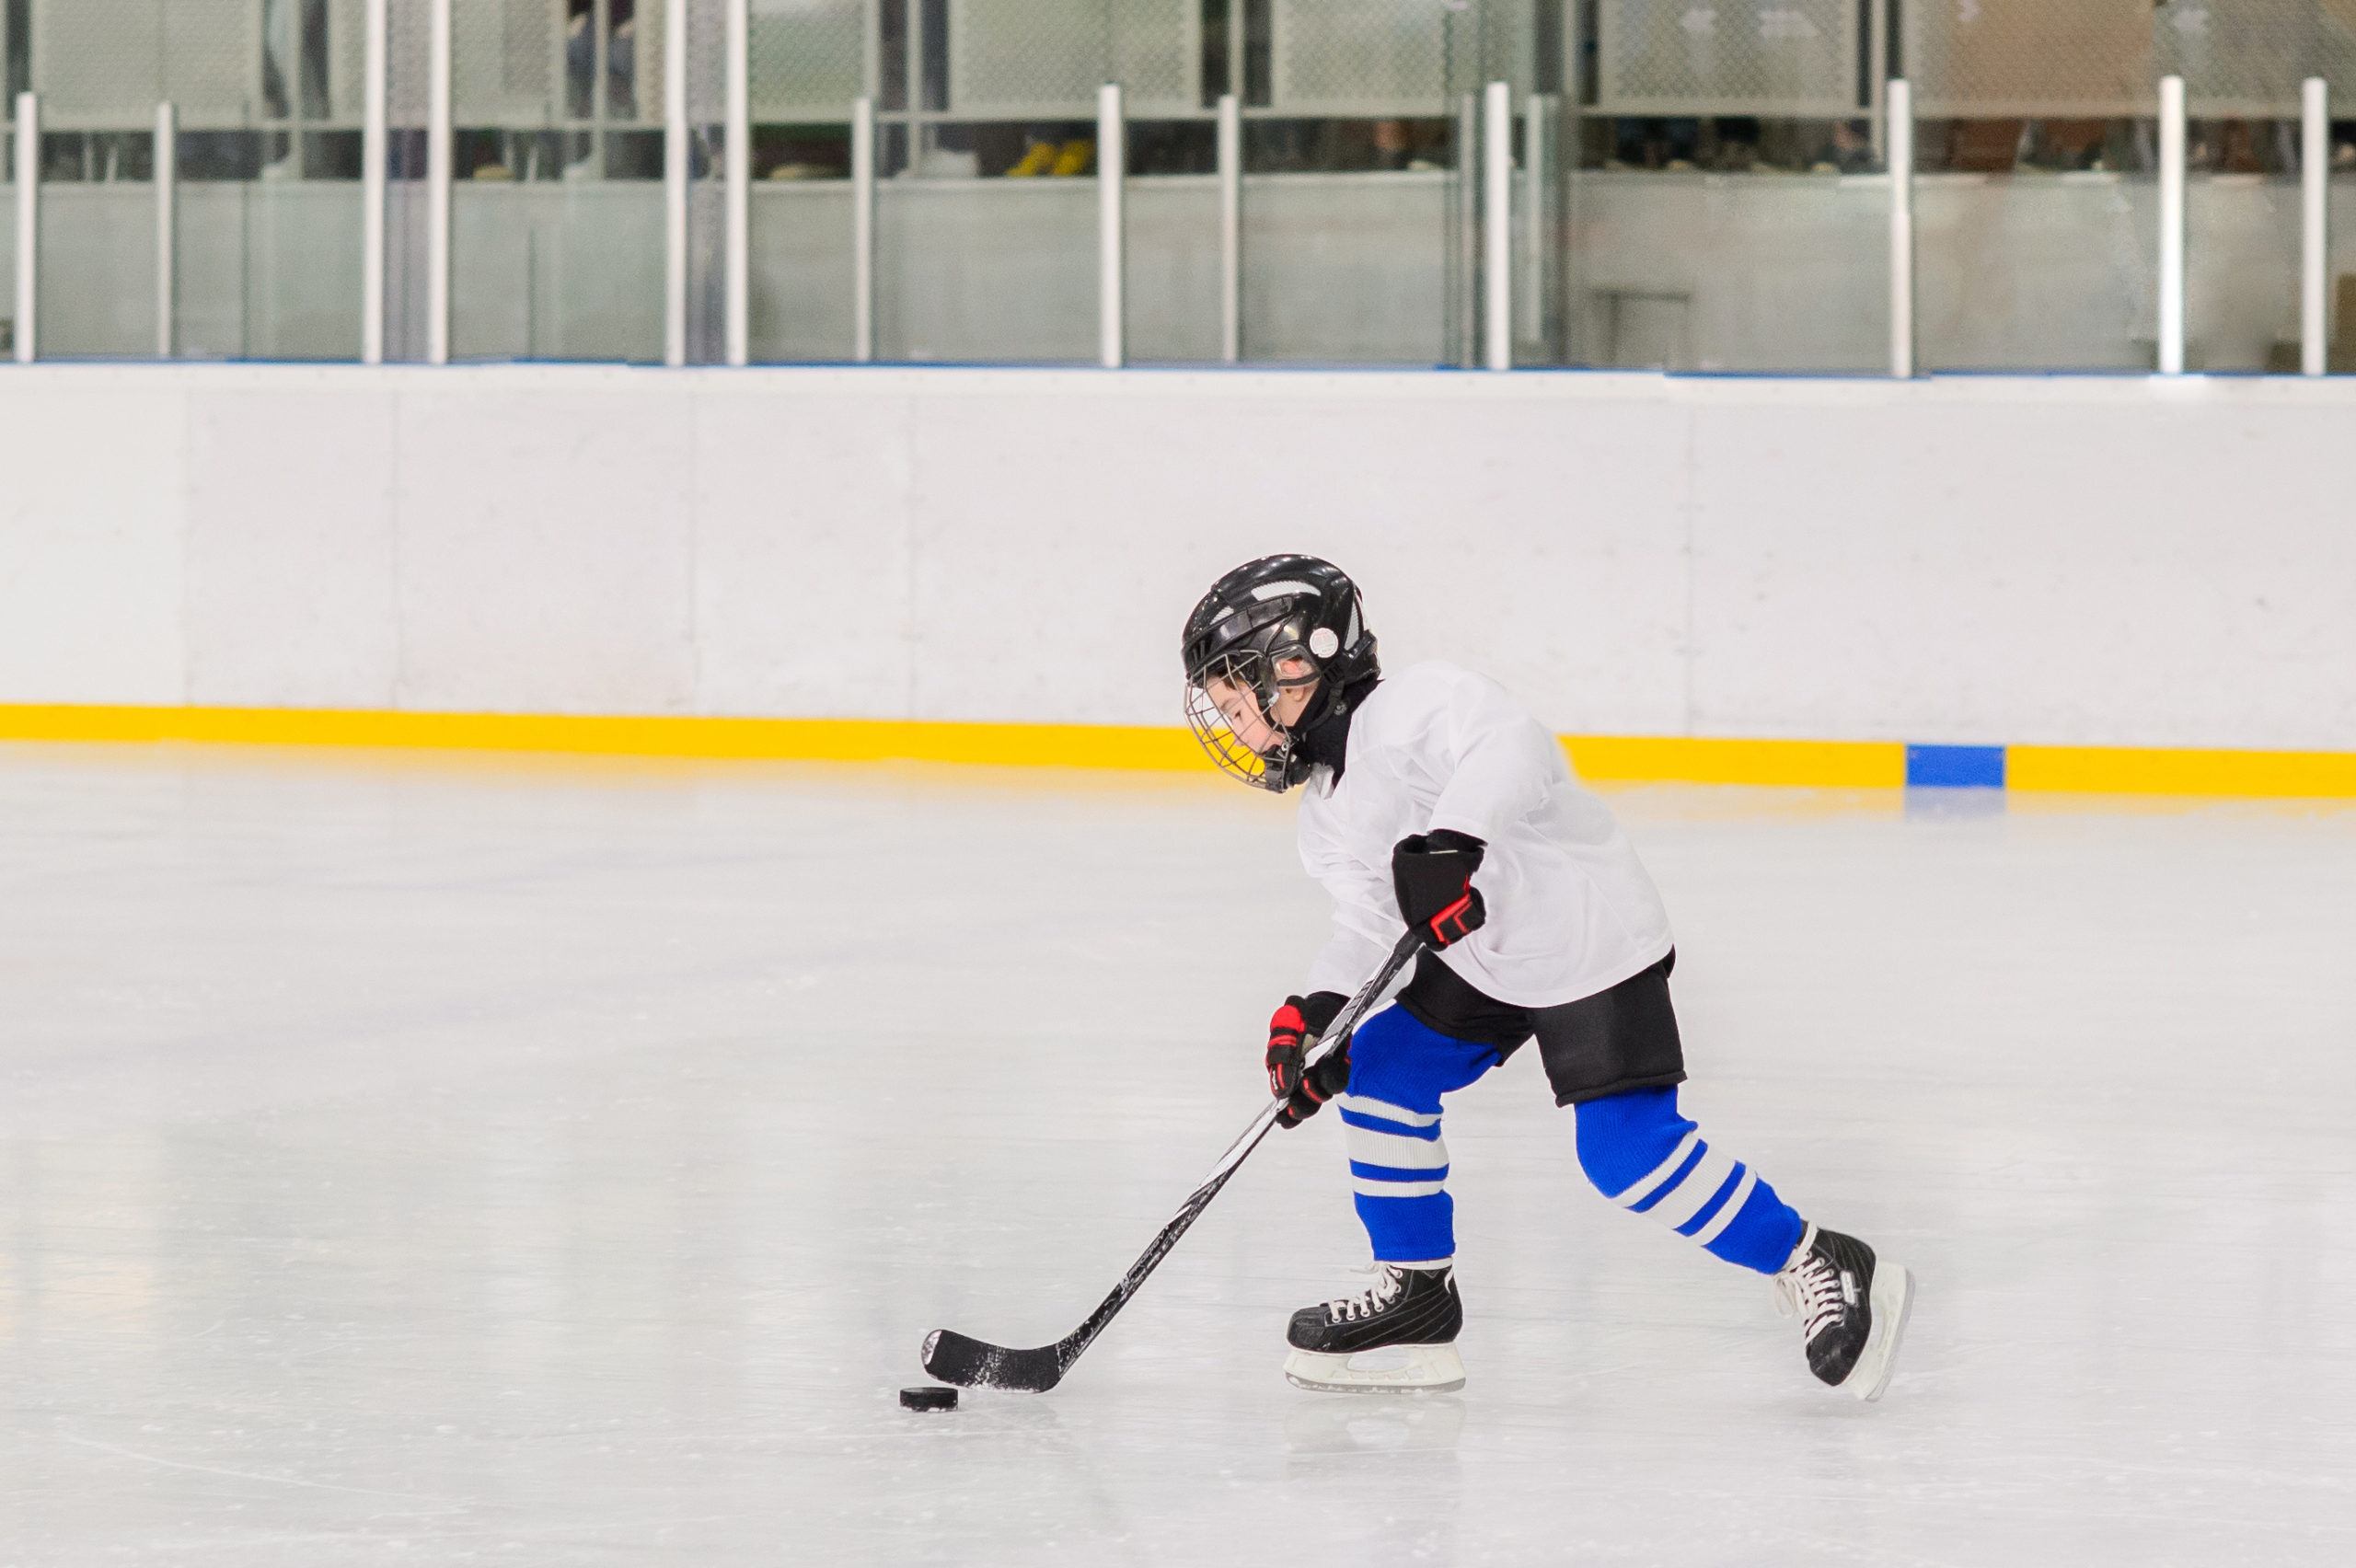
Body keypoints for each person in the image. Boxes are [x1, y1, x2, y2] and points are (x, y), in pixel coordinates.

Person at [1180, 555, 1913, 1399]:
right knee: (1376, 1078)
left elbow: (1511, 749)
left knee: (1624, 1155)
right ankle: (1418, 1295)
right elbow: (1371, 923)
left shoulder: (1419, 702)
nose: (1239, 728)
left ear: (1303, 661)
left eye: (1243, 703)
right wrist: (1317, 1016)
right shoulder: (1327, 808)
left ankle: (1818, 1257)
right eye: (1228, 712)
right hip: (1483, 958)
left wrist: (1452, 840)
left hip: (1582, 934)